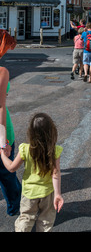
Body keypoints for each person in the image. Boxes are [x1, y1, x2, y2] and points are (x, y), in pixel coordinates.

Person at [0, 113, 63, 232]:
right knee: (46, 220)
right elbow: (56, 173)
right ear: (52, 132)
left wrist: (3, 154)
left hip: (29, 193)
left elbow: (12, 168)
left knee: (26, 218)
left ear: (31, 133)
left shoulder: (25, 149)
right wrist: (58, 194)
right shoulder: (55, 151)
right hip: (47, 192)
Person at [0, 30, 22, 217]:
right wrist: (3, 142)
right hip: (2, 132)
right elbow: (0, 108)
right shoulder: (2, 72)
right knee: (7, 174)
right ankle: (16, 208)